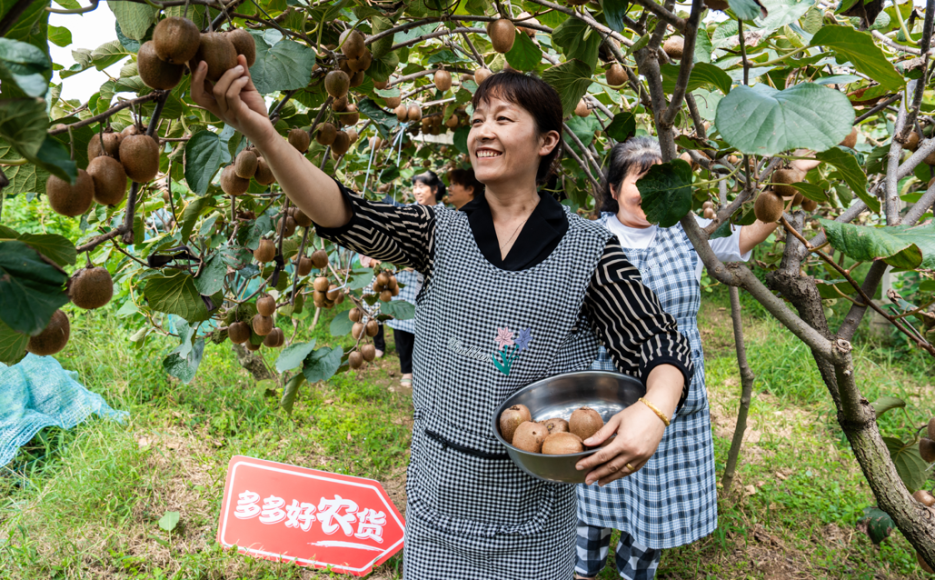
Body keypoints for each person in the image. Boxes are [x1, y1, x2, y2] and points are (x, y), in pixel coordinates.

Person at [192, 59, 694, 579]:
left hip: (533, 512)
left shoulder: (589, 250)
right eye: (477, 120)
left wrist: (655, 411)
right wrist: (265, 134)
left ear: (546, 142)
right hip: (439, 496)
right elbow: (343, 212)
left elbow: (659, 341)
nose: (483, 131)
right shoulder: (436, 230)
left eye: (503, 118)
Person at [575, 137, 777, 580]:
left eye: (662, 180)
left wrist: (780, 188)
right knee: (592, 489)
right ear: (612, 189)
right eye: (639, 180)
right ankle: (581, 572)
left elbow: (745, 237)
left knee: (654, 497)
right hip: (604, 385)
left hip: (671, 390)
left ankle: (634, 572)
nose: (651, 192)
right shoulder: (587, 239)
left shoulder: (690, 231)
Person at [387, 171, 446, 387]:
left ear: (435, 189)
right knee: (402, 323)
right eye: (415, 187)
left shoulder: (445, 216)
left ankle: (427, 370)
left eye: (421, 186)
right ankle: (406, 371)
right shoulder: (407, 212)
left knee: (427, 325)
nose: (417, 191)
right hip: (406, 278)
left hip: (431, 279)